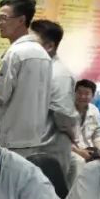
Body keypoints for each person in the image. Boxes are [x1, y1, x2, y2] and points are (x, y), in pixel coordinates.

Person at [0, 0, 54, 159]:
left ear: (21, 20)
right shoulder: (43, 53)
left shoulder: (15, 53)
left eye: (3, 18)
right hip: (34, 138)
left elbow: (2, 94)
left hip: (11, 139)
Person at [29, 19, 79, 177]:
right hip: (33, 145)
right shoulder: (37, 67)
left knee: (49, 189)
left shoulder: (59, 74)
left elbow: (63, 115)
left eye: (32, 42)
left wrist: (72, 134)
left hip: (49, 149)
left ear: (49, 46)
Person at [70, 79, 100, 178]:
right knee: (79, 161)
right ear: (74, 93)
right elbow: (60, 138)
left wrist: (99, 151)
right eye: (79, 93)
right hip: (70, 150)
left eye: (86, 94)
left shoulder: (94, 110)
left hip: (88, 149)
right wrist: (79, 151)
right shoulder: (66, 110)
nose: (82, 96)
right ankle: (76, 187)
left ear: (92, 96)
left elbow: (98, 134)